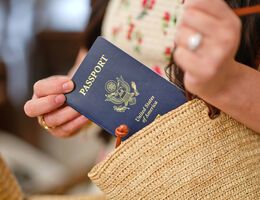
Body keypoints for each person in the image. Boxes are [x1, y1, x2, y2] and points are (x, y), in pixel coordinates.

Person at [24, 0, 260, 138]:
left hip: (219, 176)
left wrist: (227, 82)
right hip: (133, 175)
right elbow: (86, 70)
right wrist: (64, 104)